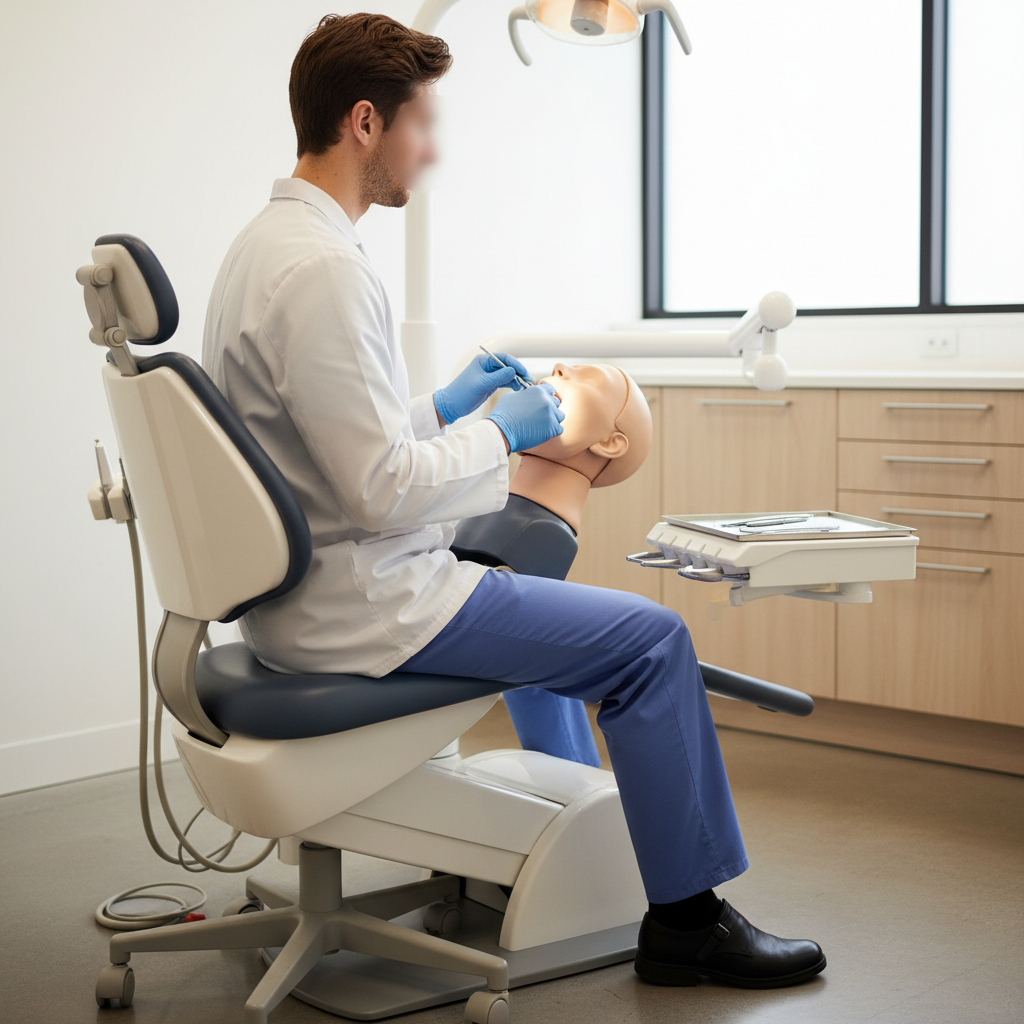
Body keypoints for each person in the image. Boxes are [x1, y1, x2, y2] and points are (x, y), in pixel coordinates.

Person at [202, 12, 826, 989]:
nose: (430, 149)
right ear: (365, 123)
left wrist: (437, 406)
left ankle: (624, 865)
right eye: (420, 125)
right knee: (651, 643)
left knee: (577, 636)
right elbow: (376, 486)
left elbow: (324, 444)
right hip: (368, 603)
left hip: (304, 597)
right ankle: (688, 921)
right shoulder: (327, 268)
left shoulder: (262, 248)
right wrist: (506, 427)